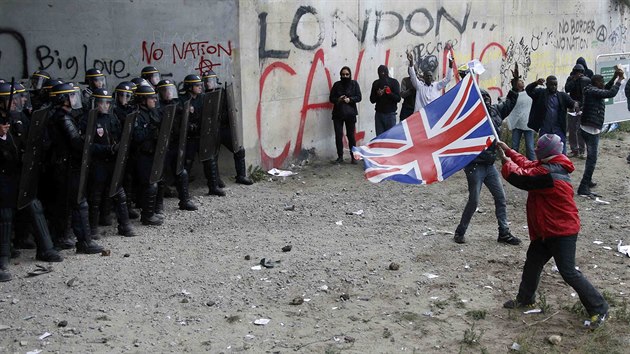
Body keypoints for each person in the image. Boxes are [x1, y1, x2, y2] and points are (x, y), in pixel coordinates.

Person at [497, 134, 609, 329]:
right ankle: (525, 299)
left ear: (545, 152)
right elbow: (529, 165)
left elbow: (523, 178)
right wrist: (509, 151)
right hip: (546, 230)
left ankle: (599, 308)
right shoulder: (550, 165)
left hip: (561, 231)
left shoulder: (549, 174)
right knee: (533, 262)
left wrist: (507, 164)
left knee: (568, 272)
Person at [453, 80, 521, 246]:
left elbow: (509, 104)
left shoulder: (495, 112)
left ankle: (504, 232)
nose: (487, 100)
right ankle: (460, 231)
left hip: (489, 165)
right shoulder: (471, 117)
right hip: (475, 165)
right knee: (474, 200)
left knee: (500, 197)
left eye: (487, 97)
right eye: (482, 98)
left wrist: (513, 88)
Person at [47, 83, 104, 254]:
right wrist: (87, 138)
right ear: (62, 99)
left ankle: (62, 238)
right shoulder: (62, 118)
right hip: (67, 166)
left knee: (65, 204)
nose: (74, 99)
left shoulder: (63, 116)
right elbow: (76, 143)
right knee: (79, 202)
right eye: (71, 96)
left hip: (63, 166)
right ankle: (84, 242)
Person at [80, 88, 136, 238]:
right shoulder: (88, 120)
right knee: (96, 196)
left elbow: (118, 136)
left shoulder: (112, 118)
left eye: (107, 103)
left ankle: (124, 225)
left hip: (112, 162)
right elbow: (87, 144)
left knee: (119, 193)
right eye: (102, 103)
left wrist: (118, 147)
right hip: (97, 162)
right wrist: (107, 149)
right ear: (95, 103)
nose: (105, 106)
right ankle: (92, 229)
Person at [576, 69, 624, 197]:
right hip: (590, 129)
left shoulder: (592, 90)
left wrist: (614, 77)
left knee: (591, 158)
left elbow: (606, 89)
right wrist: (619, 80)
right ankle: (583, 187)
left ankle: (588, 180)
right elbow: (610, 93)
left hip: (590, 127)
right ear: (596, 82)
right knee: (592, 159)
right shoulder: (592, 91)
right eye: (601, 81)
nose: (603, 83)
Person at [156, 79, 197, 211]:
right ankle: (158, 204)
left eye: (170, 90)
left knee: (182, 172)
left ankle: (184, 200)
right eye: (165, 91)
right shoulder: (157, 108)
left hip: (174, 144)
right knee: (160, 176)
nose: (168, 93)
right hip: (162, 146)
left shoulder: (177, 105)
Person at [131, 85, 163, 225]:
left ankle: (152, 211)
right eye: (151, 98)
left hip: (152, 153)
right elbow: (137, 136)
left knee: (154, 181)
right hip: (141, 154)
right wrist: (151, 129)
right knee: (149, 184)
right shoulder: (137, 115)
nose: (154, 101)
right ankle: (147, 215)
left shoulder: (152, 112)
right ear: (143, 100)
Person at [526, 76, 577, 152]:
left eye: (555, 85)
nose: (553, 87)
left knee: (561, 152)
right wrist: (536, 83)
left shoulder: (562, 96)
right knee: (544, 151)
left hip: (558, 129)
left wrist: (577, 105)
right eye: (551, 85)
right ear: (546, 84)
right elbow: (528, 90)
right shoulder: (540, 94)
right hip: (545, 129)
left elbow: (573, 104)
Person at [329, 66, 361, 164]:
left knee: (351, 136)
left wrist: (350, 99)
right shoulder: (337, 85)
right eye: (343, 74)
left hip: (350, 113)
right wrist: (339, 99)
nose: (345, 76)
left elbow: (359, 97)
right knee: (338, 135)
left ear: (350, 74)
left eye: (347, 74)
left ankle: (353, 157)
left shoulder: (354, 84)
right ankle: (340, 157)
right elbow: (331, 98)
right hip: (338, 114)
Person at [564, 63, 591, 158]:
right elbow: (567, 89)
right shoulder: (570, 79)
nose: (578, 74)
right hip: (572, 105)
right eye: (577, 72)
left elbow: (587, 94)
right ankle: (574, 149)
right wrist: (574, 80)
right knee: (571, 129)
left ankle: (582, 150)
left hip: (582, 107)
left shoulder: (586, 80)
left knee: (580, 130)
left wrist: (583, 106)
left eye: (580, 72)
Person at [506, 79, 535, 160]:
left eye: (522, 81)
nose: (522, 82)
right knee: (515, 147)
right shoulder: (512, 94)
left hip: (527, 123)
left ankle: (532, 164)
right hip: (517, 123)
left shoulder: (528, 92)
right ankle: (514, 163)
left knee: (530, 147)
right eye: (519, 81)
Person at [369, 65, 400, 135]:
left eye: (383, 72)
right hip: (379, 114)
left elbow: (398, 98)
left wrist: (389, 93)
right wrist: (378, 95)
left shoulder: (394, 82)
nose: (382, 74)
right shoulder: (376, 83)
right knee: (379, 138)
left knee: (390, 137)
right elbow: (372, 99)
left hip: (390, 114)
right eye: (380, 72)